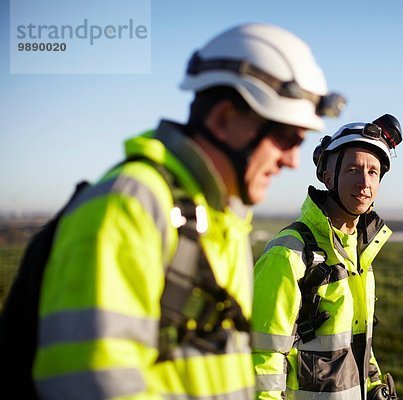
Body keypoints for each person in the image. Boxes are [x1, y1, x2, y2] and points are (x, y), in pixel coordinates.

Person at [31, 23, 344, 399]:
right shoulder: (131, 204)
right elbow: (90, 383)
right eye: (285, 137)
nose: (292, 160)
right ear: (224, 119)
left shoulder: (219, 217)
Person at [252, 114, 403, 400]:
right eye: (352, 170)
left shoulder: (359, 254)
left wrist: (373, 386)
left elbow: (358, 343)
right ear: (327, 176)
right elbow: (263, 353)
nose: (364, 182)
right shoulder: (288, 253)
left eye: (373, 172)